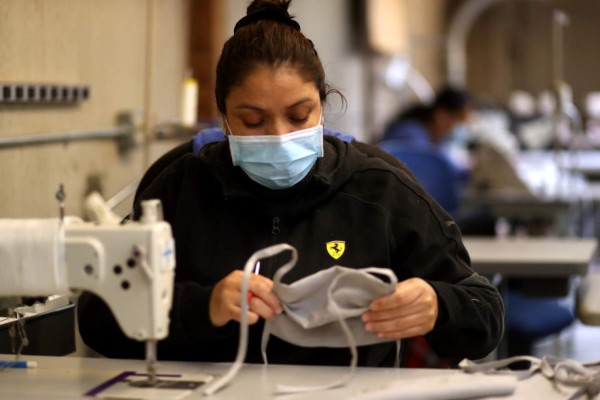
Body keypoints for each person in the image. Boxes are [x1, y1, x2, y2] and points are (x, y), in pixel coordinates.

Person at [77, 0, 504, 367]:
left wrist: (438, 307)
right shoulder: (180, 189)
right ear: (223, 119)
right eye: (253, 121)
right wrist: (201, 307)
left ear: (323, 107)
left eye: (299, 116)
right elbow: (97, 318)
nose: (279, 136)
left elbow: (484, 316)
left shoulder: (380, 191)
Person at [381, 86, 474, 183]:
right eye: (459, 121)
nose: (461, 129)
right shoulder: (410, 135)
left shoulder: (437, 140)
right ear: (441, 116)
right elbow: (431, 169)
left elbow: (451, 166)